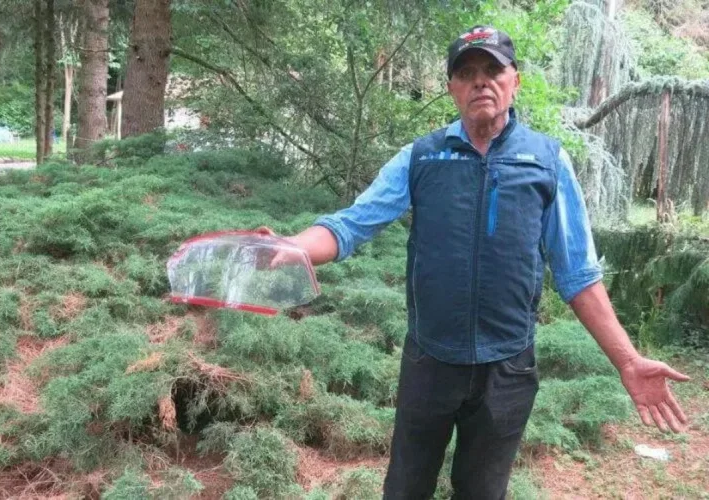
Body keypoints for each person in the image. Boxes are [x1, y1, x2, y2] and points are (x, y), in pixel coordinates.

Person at [264, 25, 692, 499]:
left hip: (507, 370)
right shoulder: (422, 158)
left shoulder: (547, 162)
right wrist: (297, 246)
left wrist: (628, 361)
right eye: (466, 73)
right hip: (430, 360)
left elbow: (577, 274)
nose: (480, 81)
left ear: (515, 81)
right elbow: (350, 225)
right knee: (405, 488)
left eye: (493, 70)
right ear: (451, 88)